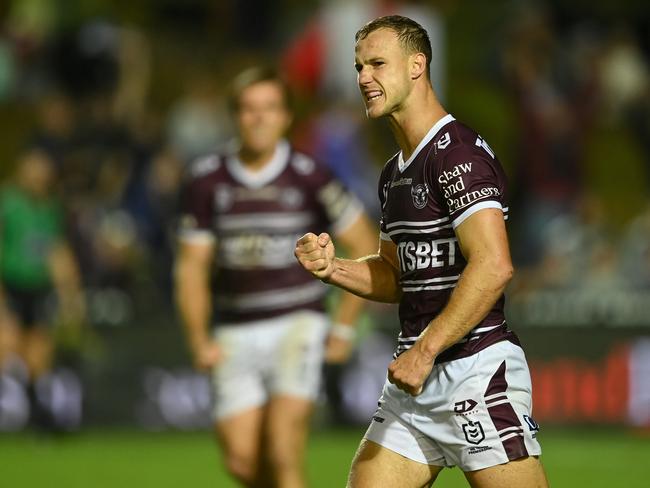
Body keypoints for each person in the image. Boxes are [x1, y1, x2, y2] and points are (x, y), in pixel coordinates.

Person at [295, 15, 549, 488]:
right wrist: (335, 269)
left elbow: (494, 265)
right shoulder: (393, 173)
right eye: (358, 67)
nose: (363, 78)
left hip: (473, 370)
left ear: (417, 65)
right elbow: (396, 276)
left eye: (376, 64)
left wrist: (425, 350)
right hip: (415, 387)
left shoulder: (459, 156)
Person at [174, 67, 376, 488]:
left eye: (269, 108)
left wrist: (343, 326)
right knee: (244, 463)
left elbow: (364, 243)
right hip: (235, 329)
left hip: (298, 322)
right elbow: (192, 266)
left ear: (286, 117)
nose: (259, 118)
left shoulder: (311, 176)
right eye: (249, 109)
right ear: (235, 116)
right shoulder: (206, 180)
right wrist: (198, 338)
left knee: (284, 451)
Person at [0, 148, 85, 430]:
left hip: (38, 289)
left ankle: (38, 417)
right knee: (7, 348)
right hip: (10, 285)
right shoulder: (7, 203)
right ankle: (34, 415)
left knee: (38, 356)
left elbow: (56, 252)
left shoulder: (50, 208)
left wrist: (70, 292)